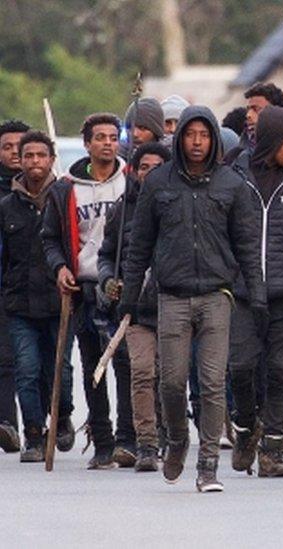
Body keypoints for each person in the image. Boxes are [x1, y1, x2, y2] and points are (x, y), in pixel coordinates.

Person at [120, 106, 266, 492]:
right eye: (190, 134)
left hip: (218, 294)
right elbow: (140, 245)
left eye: (204, 135)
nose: (197, 142)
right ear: (179, 137)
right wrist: (130, 296)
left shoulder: (231, 184)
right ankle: (178, 439)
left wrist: (258, 294)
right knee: (170, 382)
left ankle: (208, 465)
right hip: (172, 295)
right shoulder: (159, 183)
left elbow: (248, 246)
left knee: (213, 382)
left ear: (214, 139)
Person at [226, 106, 283, 479]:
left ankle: (273, 448)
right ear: (273, 140)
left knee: (280, 371)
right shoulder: (233, 180)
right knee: (241, 367)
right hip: (243, 293)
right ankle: (246, 429)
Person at [41, 113, 128, 470]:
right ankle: (103, 441)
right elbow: (49, 239)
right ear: (88, 143)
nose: (108, 143)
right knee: (93, 363)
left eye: (113, 137)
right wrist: (60, 267)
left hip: (122, 285)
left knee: (125, 362)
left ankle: (129, 439)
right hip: (85, 286)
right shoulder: (65, 189)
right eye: (101, 138)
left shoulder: (131, 184)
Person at [0, 130, 74, 462]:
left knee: (59, 369)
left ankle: (62, 417)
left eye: (40, 156)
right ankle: (33, 434)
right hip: (19, 304)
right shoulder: (7, 206)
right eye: (27, 156)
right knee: (27, 369)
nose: (34, 162)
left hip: (60, 301)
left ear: (51, 160)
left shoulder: (65, 197)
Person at [97, 141, 170, 472]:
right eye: (143, 167)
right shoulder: (121, 211)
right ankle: (147, 444)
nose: (149, 173)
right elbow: (104, 255)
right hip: (136, 309)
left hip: (175, 304)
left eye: (157, 167)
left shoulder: (180, 204)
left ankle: (171, 433)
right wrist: (107, 281)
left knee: (171, 377)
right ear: (134, 171)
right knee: (141, 372)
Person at [0, 119, 30, 453]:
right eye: (6, 147)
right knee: (5, 357)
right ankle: (8, 423)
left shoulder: (48, 190)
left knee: (38, 362)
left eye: (18, 148)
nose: (14, 154)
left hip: (38, 283)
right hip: (4, 283)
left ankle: (48, 419)